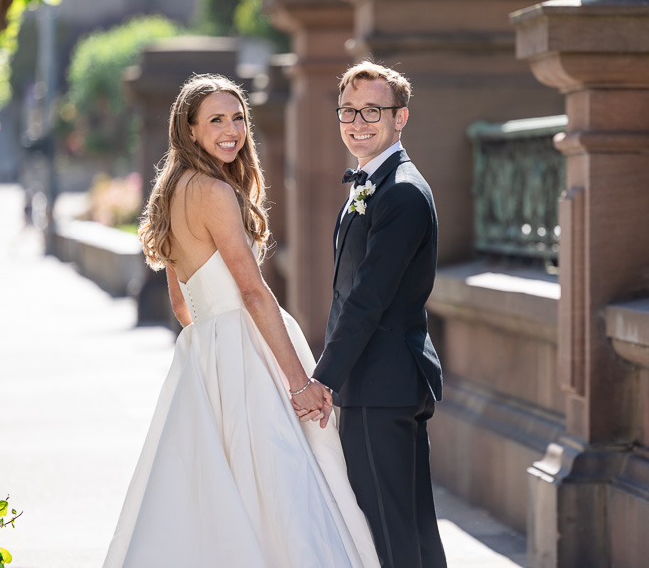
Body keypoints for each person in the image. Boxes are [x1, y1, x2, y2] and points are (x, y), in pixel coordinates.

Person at [103, 74, 379, 568]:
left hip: (206, 353)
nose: (231, 130)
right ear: (189, 130)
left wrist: (210, 352)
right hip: (248, 354)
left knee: (220, 494)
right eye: (216, 120)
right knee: (280, 487)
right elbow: (252, 290)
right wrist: (298, 383)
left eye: (237, 118)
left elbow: (182, 304)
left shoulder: (172, 192)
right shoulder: (213, 191)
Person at [312, 61, 448, 568]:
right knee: (409, 531)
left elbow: (367, 298)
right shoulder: (374, 182)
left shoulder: (402, 191)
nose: (358, 121)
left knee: (388, 537)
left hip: (380, 383)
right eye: (348, 110)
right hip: (382, 382)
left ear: (401, 117)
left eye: (373, 110)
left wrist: (323, 379)